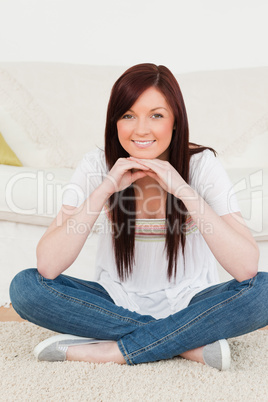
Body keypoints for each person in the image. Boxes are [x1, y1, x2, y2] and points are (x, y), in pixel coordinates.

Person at [10, 63, 268, 370]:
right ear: (114, 122)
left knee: (263, 290)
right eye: (128, 115)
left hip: (192, 301)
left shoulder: (201, 165)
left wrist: (184, 190)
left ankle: (111, 351)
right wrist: (106, 187)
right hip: (114, 300)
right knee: (25, 288)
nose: (141, 129)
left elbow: (247, 267)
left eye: (156, 115)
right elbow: (48, 266)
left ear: (175, 122)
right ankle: (185, 342)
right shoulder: (96, 165)